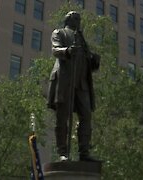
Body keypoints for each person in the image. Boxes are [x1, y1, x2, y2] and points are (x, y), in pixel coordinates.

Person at [47, 11, 100, 162]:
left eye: (79, 18)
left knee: (86, 116)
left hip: (82, 84)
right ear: (68, 19)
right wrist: (68, 51)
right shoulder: (60, 33)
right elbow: (55, 50)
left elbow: (87, 61)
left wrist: (94, 61)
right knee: (62, 117)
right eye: (75, 18)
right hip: (65, 82)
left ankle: (84, 152)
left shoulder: (81, 38)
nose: (78, 20)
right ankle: (62, 152)